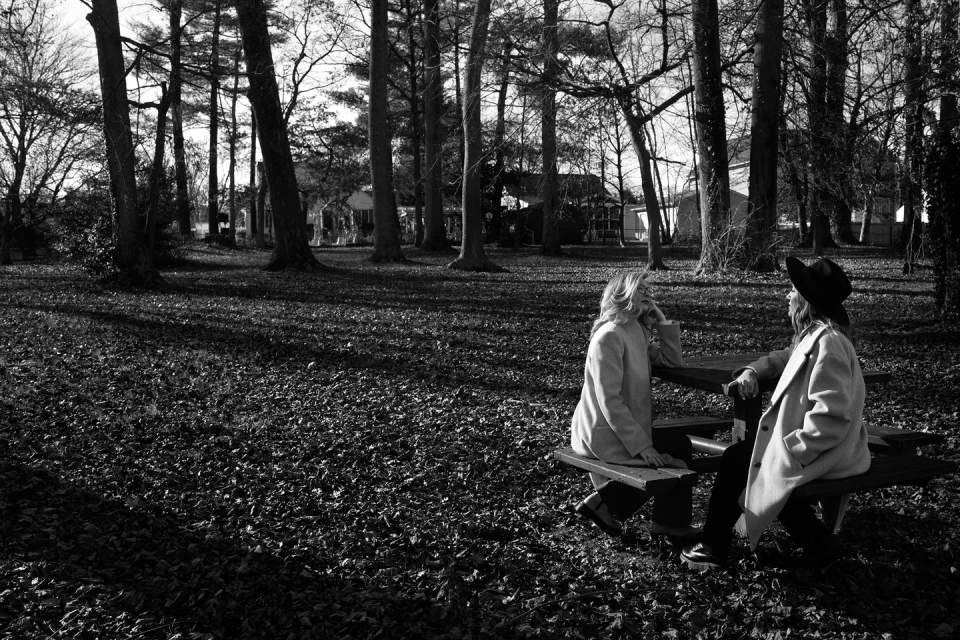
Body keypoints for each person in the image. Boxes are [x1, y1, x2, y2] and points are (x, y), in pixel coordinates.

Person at [681, 257, 869, 571]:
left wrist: (791, 451)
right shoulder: (815, 337)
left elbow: (831, 417)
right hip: (823, 449)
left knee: (742, 460)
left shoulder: (831, 344)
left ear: (805, 302)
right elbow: (782, 359)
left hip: (829, 451)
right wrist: (752, 372)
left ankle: (713, 544)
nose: (787, 295)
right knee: (752, 460)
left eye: (791, 290)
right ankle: (818, 541)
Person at [570, 271, 698, 540]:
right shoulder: (609, 336)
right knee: (672, 455)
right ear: (621, 294)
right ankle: (607, 505)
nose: (648, 294)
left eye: (649, 290)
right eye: (640, 289)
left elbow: (672, 361)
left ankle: (618, 508)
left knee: (679, 446)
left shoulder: (635, 331)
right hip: (603, 433)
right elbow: (610, 401)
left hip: (621, 430)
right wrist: (643, 446)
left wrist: (661, 321)